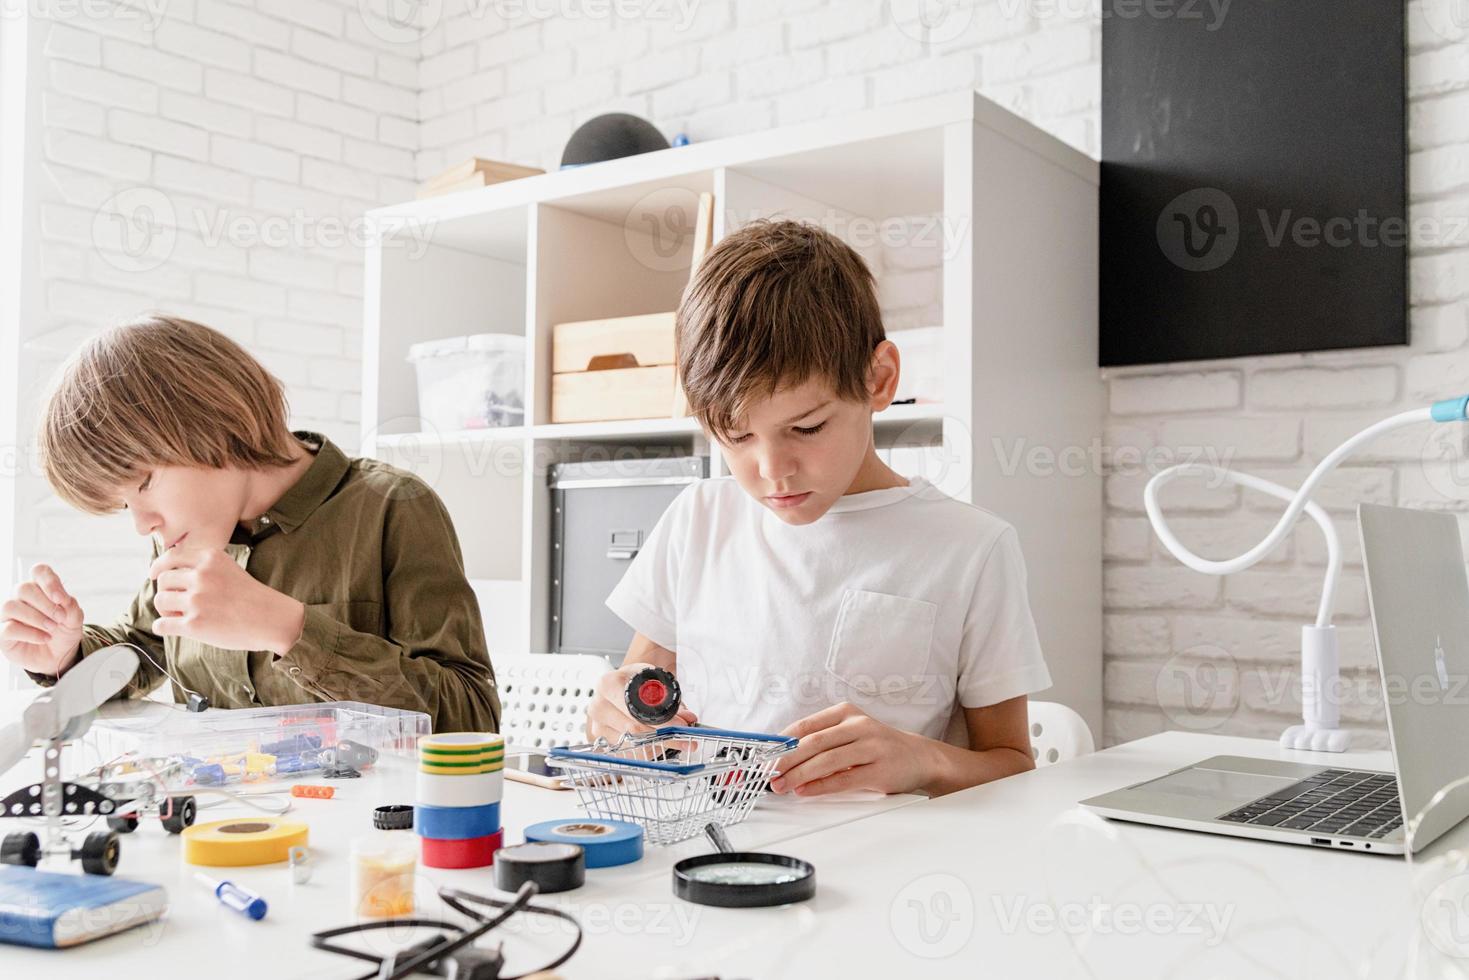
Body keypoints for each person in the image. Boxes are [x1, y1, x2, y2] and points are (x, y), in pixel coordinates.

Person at [586, 220, 1051, 797]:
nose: (772, 470)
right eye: (735, 436)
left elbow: (1011, 763)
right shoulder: (696, 520)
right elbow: (637, 699)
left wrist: (920, 759)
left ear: (879, 380)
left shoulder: (971, 548)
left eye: (806, 427)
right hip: (710, 852)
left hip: (881, 865)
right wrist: (613, 719)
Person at [0, 315, 500, 733]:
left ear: (212, 418)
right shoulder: (187, 534)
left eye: (145, 483)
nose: (142, 525)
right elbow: (145, 648)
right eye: (122, 505)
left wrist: (288, 629)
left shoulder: (391, 507)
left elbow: (473, 718)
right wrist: (66, 656)